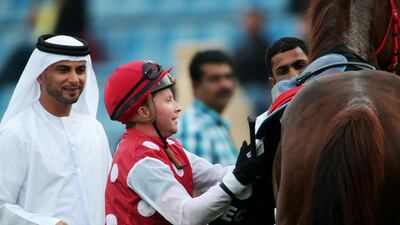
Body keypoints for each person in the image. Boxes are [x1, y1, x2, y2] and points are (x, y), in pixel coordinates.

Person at [104, 60, 265, 225]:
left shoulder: (168, 146)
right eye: (168, 100)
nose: (178, 107)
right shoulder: (139, 159)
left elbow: (216, 176)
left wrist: (253, 166)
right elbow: (187, 216)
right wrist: (239, 177)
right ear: (144, 112)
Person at [0, 34, 112, 225]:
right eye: (63, 70)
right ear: (40, 75)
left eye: (80, 70)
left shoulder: (94, 129)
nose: (74, 79)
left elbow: (110, 196)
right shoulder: (16, 132)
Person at [174, 50, 238, 166]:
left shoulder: (216, 125)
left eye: (228, 77)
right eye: (214, 79)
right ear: (195, 86)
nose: (225, 85)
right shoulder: (194, 131)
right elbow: (194, 183)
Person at [233, 8, 271, 114]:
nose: (251, 24)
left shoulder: (267, 45)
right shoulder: (240, 47)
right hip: (245, 88)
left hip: (264, 88)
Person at [265, 37, 309, 101]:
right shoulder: (274, 111)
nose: (294, 75)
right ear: (273, 82)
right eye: (283, 71)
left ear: (313, 64)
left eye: (300, 65)